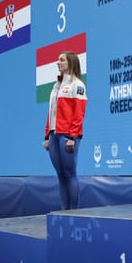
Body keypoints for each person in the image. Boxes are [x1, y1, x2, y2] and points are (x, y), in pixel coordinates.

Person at [43, 51, 88, 210]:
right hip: (54, 135)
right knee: (60, 175)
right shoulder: (56, 86)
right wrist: (47, 135)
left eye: (62, 60)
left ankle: (74, 213)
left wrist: (72, 137)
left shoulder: (77, 85)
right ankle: (64, 212)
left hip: (67, 135)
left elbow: (79, 113)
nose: (58, 62)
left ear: (71, 62)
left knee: (69, 174)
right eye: (58, 60)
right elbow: (51, 112)